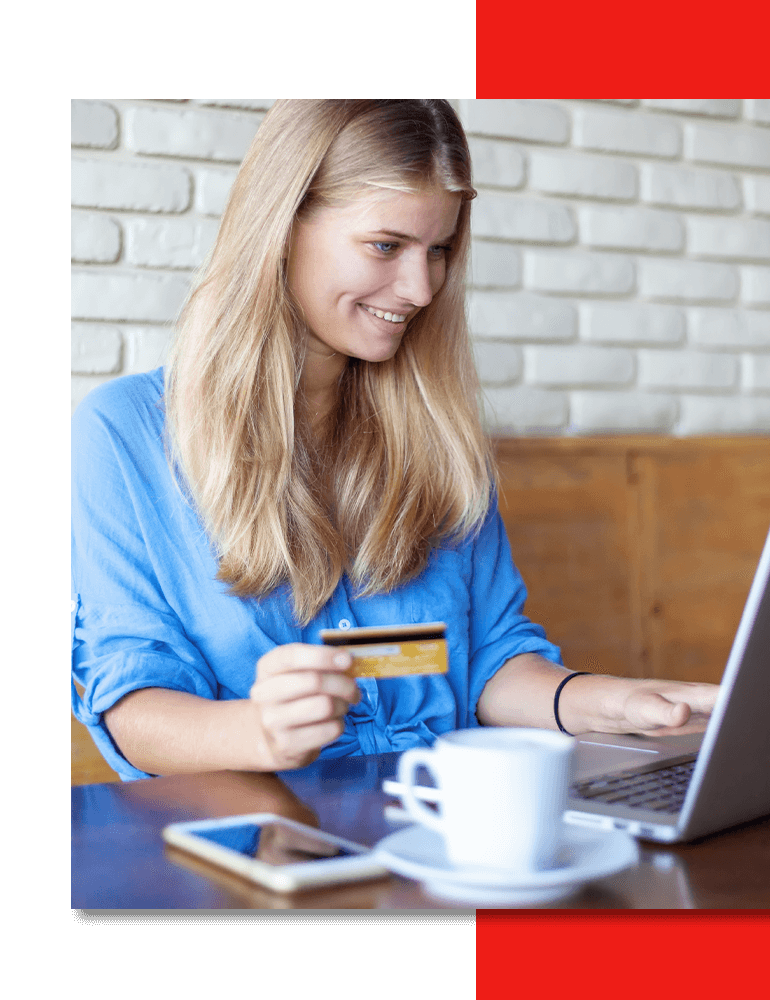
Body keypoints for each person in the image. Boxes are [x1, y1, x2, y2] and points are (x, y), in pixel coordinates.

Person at [71, 100, 718, 781]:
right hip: (256, 844)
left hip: (437, 827)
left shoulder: (440, 433)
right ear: (283, 227)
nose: (420, 288)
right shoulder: (124, 433)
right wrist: (258, 732)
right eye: (386, 246)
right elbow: (131, 701)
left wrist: (624, 704)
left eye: (438, 251)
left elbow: (491, 659)